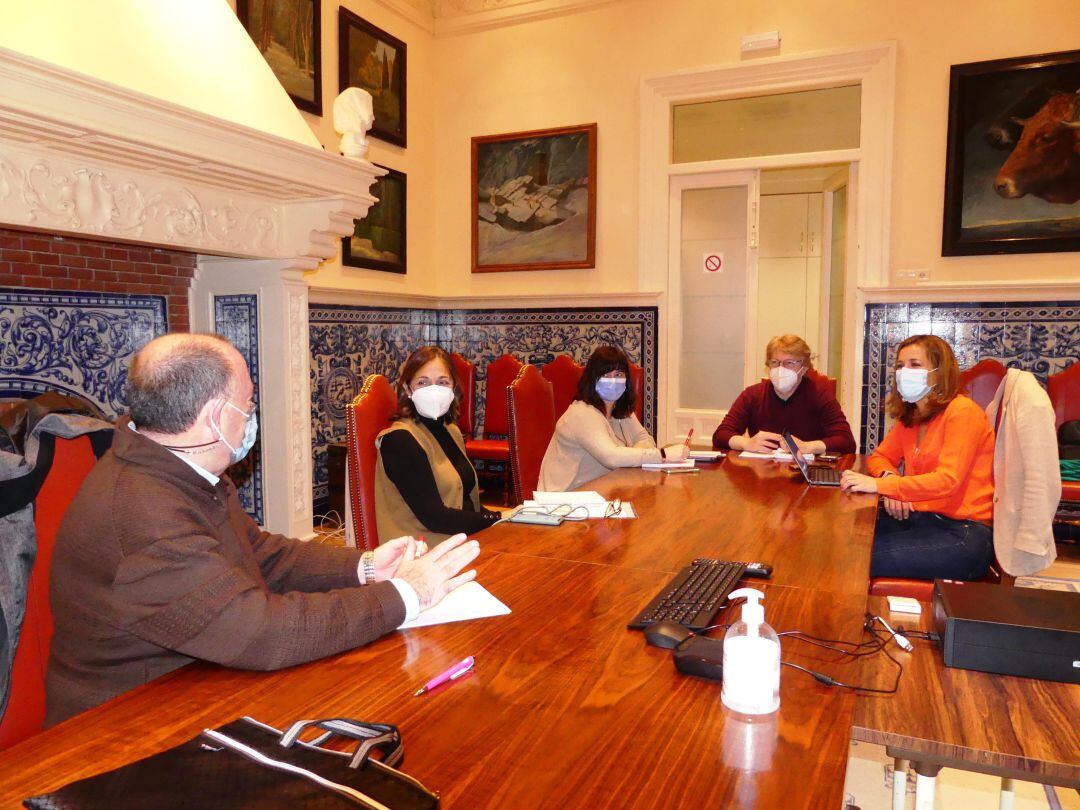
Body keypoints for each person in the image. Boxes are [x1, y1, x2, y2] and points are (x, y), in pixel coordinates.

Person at [46, 334, 480, 725]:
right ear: (216, 416)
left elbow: (260, 552)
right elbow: (264, 634)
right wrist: (405, 595)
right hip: (128, 724)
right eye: (249, 404)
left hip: (200, 680)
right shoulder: (145, 513)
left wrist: (364, 567)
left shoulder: (179, 468)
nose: (252, 415)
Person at [839, 335, 995, 580]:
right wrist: (891, 480)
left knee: (858, 556)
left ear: (939, 372)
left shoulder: (962, 412)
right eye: (900, 366)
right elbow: (879, 457)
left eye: (915, 365)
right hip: (923, 519)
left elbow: (947, 481)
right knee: (845, 537)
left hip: (964, 534)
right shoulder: (913, 416)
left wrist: (882, 486)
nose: (904, 372)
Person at [375, 346, 501, 545]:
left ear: (453, 388)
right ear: (408, 389)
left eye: (442, 382)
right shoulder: (400, 440)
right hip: (424, 551)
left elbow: (465, 503)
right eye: (423, 382)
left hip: (461, 541)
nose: (433, 390)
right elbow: (435, 517)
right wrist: (496, 520)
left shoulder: (451, 431)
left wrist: (499, 518)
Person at [537, 345, 688, 492]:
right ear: (592, 379)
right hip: (564, 498)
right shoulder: (582, 413)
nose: (613, 381)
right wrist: (662, 455)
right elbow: (612, 458)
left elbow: (645, 439)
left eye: (618, 375)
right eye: (605, 375)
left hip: (598, 492)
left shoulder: (619, 409)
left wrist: (630, 454)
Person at [712, 335, 855, 455]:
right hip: (762, 472)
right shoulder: (752, 395)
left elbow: (846, 441)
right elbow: (721, 434)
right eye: (775, 362)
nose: (781, 369)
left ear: (804, 367)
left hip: (805, 473)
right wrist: (746, 443)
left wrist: (809, 447)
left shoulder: (820, 395)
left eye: (789, 363)